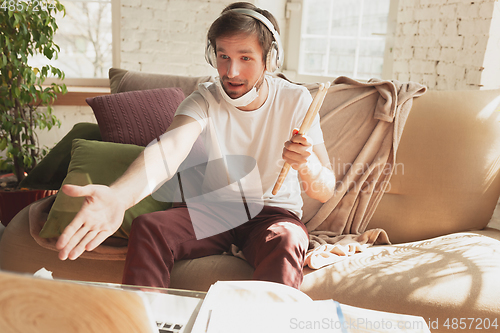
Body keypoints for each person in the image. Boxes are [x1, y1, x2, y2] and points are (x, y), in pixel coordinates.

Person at [56, 2, 335, 290]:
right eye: (223, 56)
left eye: (246, 58)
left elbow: (325, 190)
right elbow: (168, 150)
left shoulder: (297, 100)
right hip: (217, 207)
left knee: (288, 239)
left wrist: (307, 165)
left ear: (270, 59)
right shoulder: (203, 100)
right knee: (149, 227)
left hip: (272, 213)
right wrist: (118, 197)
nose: (231, 71)